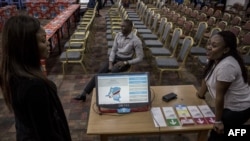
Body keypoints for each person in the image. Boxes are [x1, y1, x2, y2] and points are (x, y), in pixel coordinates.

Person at [0, 15, 72, 141]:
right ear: (26, 47)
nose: (49, 43)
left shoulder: (13, 74)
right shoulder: (34, 86)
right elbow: (47, 134)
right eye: (43, 41)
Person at [196, 31, 250, 141]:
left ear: (226, 50)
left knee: (217, 134)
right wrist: (200, 95)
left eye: (214, 45)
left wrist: (218, 121)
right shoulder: (214, 58)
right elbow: (206, 77)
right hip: (227, 106)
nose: (209, 47)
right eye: (209, 43)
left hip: (238, 109)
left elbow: (220, 97)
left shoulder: (227, 66)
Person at [74, 19, 144, 101]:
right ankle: (84, 93)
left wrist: (126, 62)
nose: (122, 28)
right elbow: (113, 50)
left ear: (130, 27)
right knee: (101, 71)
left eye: (124, 26)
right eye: (121, 26)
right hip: (116, 58)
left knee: (114, 71)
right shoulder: (118, 35)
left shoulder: (136, 40)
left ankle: (112, 95)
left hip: (125, 61)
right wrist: (110, 62)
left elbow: (140, 57)